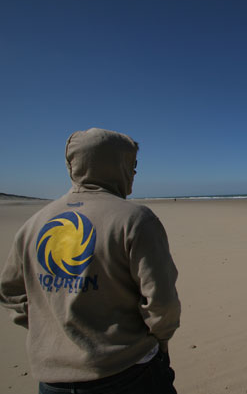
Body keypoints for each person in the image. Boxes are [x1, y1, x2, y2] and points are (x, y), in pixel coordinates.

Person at [0, 128, 181, 394]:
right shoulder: (136, 220)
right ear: (117, 165)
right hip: (127, 371)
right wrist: (160, 339)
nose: (134, 173)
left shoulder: (35, 223)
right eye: (132, 165)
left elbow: (10, 293)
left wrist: (52, 329)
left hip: (52, 379)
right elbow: (162, 303)